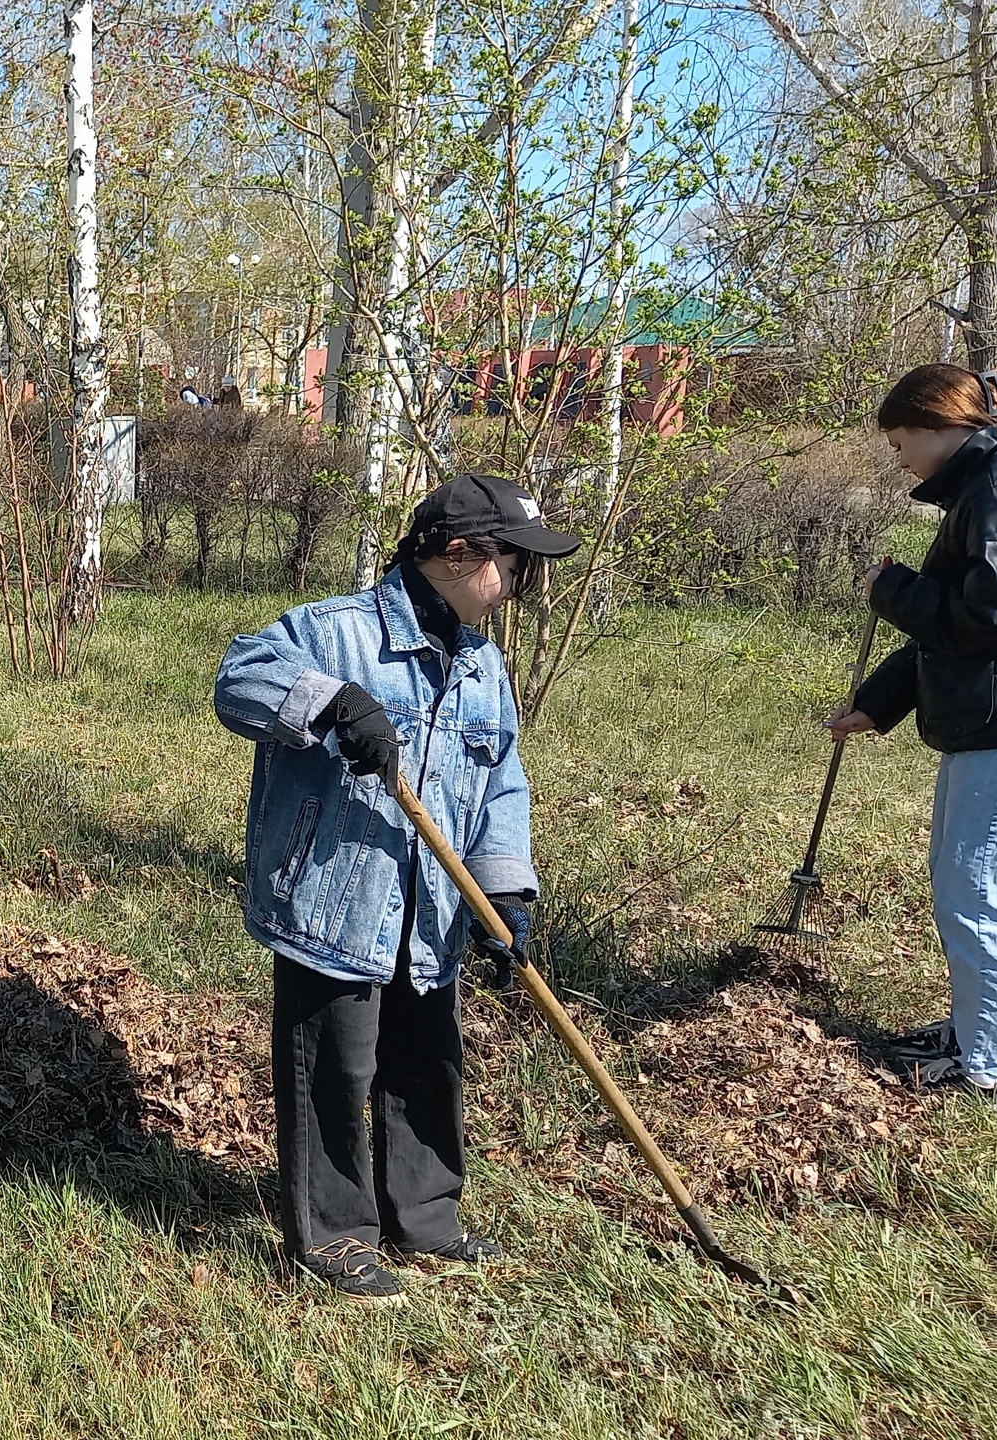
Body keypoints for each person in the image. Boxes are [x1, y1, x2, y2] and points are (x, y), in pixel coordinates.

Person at [214, 473, 580, 1306]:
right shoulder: (332, 633)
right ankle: (333, 1234)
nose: (525, 583)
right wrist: (333, 702)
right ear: (459, 555)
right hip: (335, 906)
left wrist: (505, 892)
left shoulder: (484, 665)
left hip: (436, 915)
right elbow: (237, 679)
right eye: (517, 566)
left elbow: (503, 785)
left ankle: (424, 1213)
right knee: (334, 1070)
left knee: (427, 1062)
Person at [826, 365, 997, 1111]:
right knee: (971, 887)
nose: (900, 460)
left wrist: (893, 591)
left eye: (901, 442)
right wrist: (879, 702)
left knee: (988, 895)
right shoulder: (992, 490)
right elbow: (963, 630)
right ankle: (973, 1032)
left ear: (943, 427)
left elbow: (988, 619)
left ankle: (987, 1071)